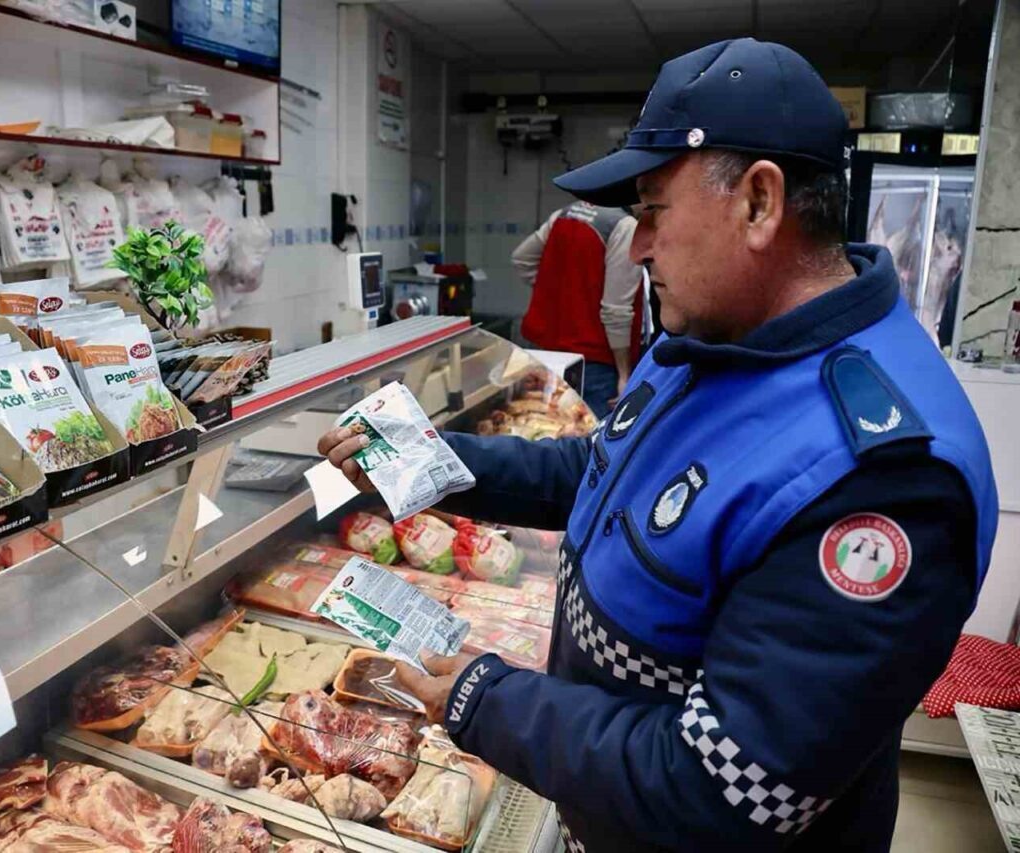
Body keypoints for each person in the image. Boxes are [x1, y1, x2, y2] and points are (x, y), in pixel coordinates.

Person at [318, 37, 997, 853]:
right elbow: (601, 471)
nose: (637, 246)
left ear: (759, 202)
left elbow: (718, 790)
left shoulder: (884, 475)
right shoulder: (711, 338)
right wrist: (421, 463)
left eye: (651, 210)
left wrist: (485, 697)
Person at [511, 202, 643, 416]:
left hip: (546, 353)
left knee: (550, 426)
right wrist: (625, 376)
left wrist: (558, 293)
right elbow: (616, 310)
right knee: (590, 432)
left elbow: (521, 258)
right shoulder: (623, 226)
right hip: (595, 363)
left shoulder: (564, 214)